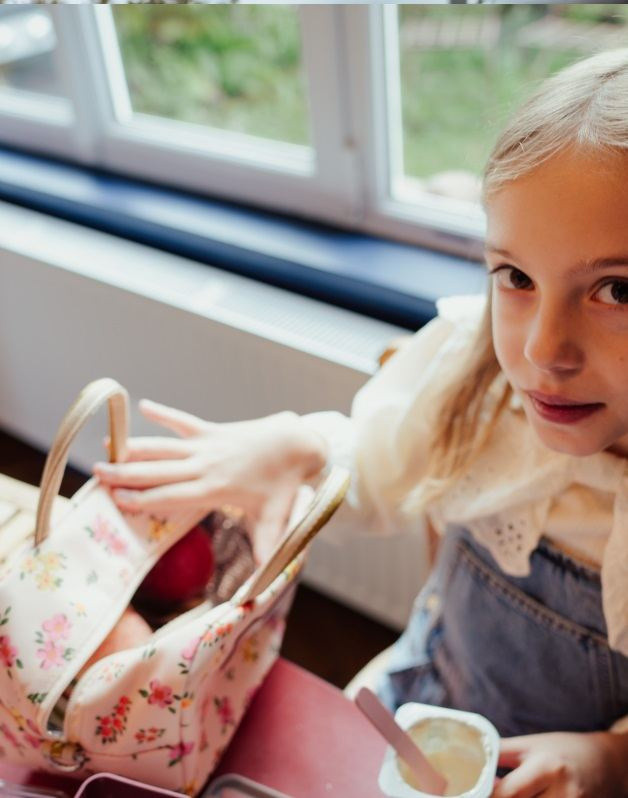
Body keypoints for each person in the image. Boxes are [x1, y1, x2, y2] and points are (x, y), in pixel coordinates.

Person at [94, 48, 628, 797]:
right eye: (516, 277)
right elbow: (375, 464)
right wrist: (301, 444)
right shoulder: (475, 375)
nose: (543, 349)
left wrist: (609, 760)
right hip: (418, 703)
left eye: (617, 289)